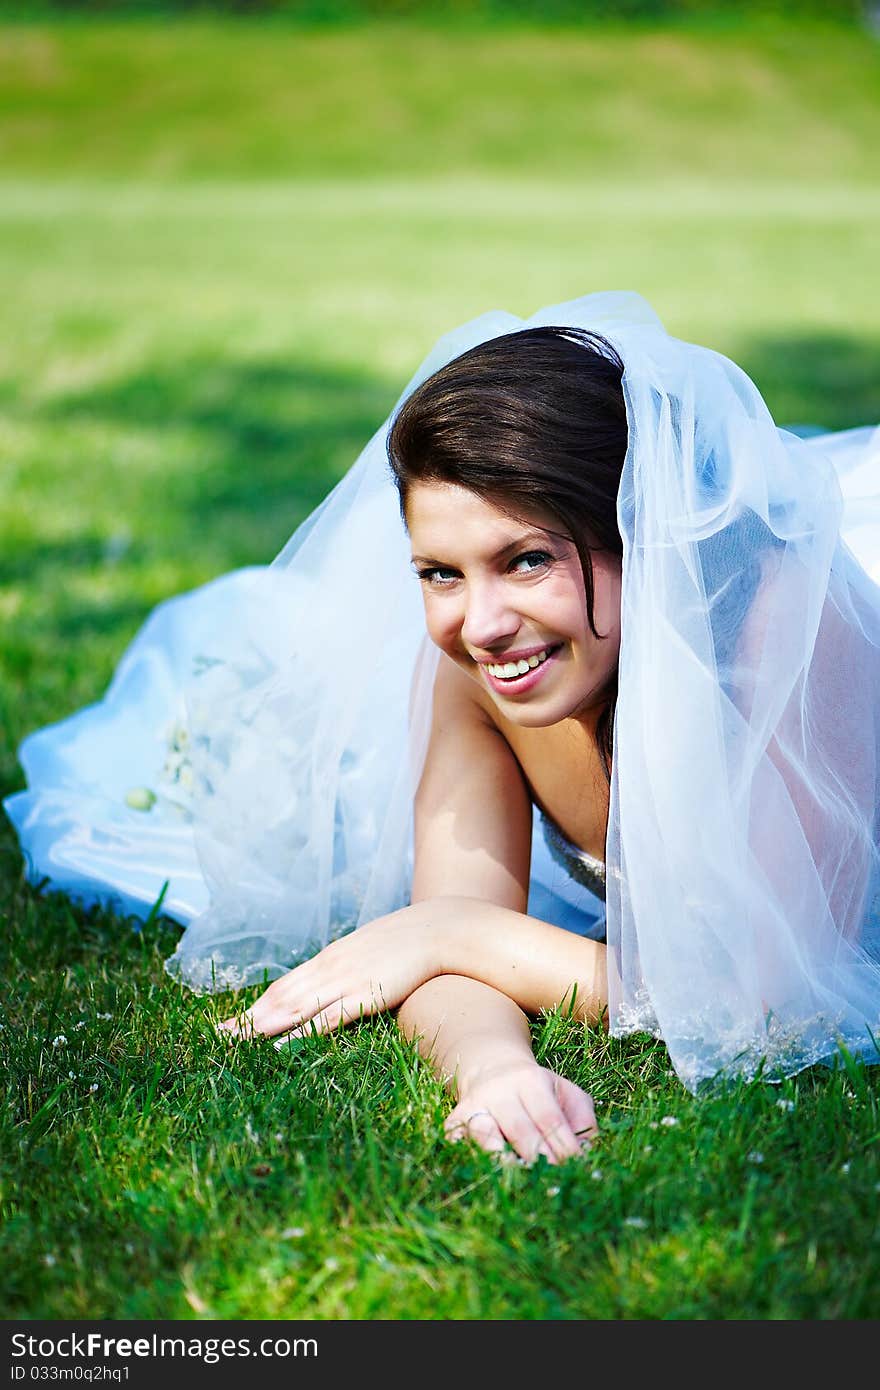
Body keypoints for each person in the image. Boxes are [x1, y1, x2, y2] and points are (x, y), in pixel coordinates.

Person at [7, 292, 880, 1166]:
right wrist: (492, 1067)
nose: (482, 624)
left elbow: (768, 1001)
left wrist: (450, 931)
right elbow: (447, 945)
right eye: (440, 572)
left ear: (639, 534)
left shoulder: (790, 624)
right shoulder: (477, 668)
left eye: (527, 559)